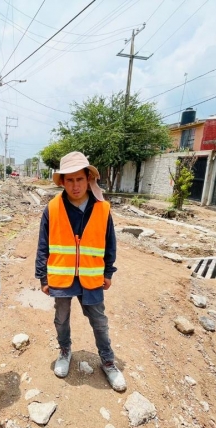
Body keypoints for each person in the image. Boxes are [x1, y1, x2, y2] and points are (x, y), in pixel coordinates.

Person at [35, 151, 126, 392]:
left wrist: (108, 272)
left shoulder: (102, 209)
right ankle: (65, 351)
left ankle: (108, 361)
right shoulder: (52, 209)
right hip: (62, 276)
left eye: (80, 179)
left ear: (88, 179)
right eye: (70, 180)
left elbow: (110, 243)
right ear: (62, 182)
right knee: (61, 318)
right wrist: (42, 276)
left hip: (92, 276)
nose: (75, 186)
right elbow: (43, 244)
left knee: (99, 320)